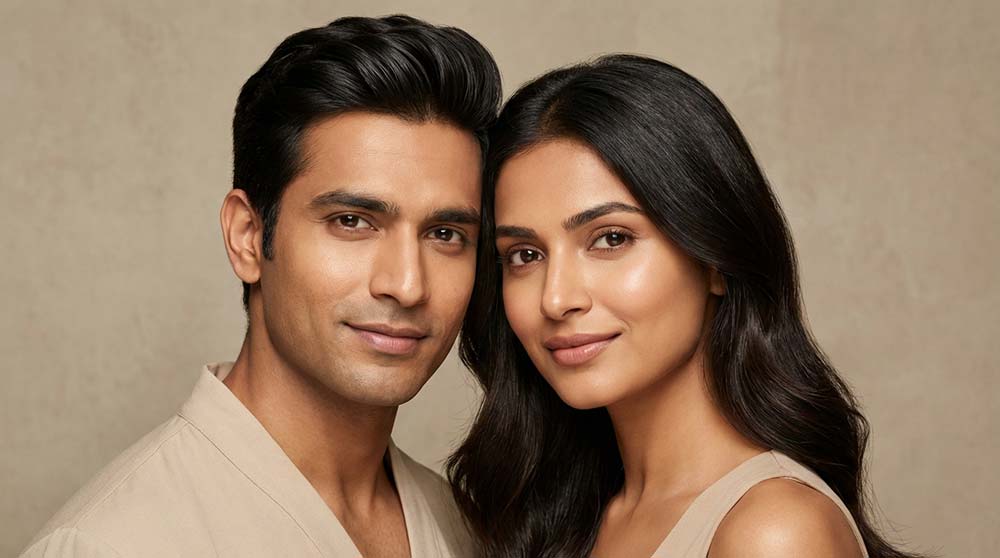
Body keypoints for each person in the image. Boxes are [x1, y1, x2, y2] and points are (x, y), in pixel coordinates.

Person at [22, 15, 500, 558]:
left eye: (445, 233)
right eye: (351, 221)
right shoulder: (108, 545)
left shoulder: (466, 530)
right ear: (248, 237)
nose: (408, 285)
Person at [448, 55, 920, 558]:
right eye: (525, 255)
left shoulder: (773, 533)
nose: (557, 298)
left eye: (611, 238)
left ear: (714, 259)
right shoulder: (557, 517)